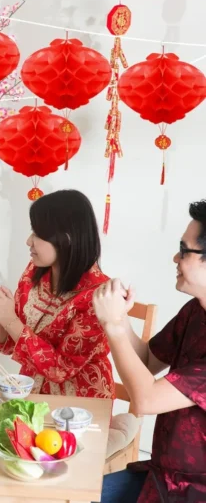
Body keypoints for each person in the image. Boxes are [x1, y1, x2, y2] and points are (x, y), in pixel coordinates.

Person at [93, 201, 206, 502]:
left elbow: (145, 399)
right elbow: (146, 360)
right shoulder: (196, 310)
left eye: (184, 251)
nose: (175, 258)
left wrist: (113, 326)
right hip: (162, 476)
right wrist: (121, 319)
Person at [0, 189, 115, 398]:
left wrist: (9, 320)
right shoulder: (34, 272)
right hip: (29, 388)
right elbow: (10, 345)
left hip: (80, 402)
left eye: (37, 234)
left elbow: (59, 369)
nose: (29, 241)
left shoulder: (100, 296)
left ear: (66, 238)